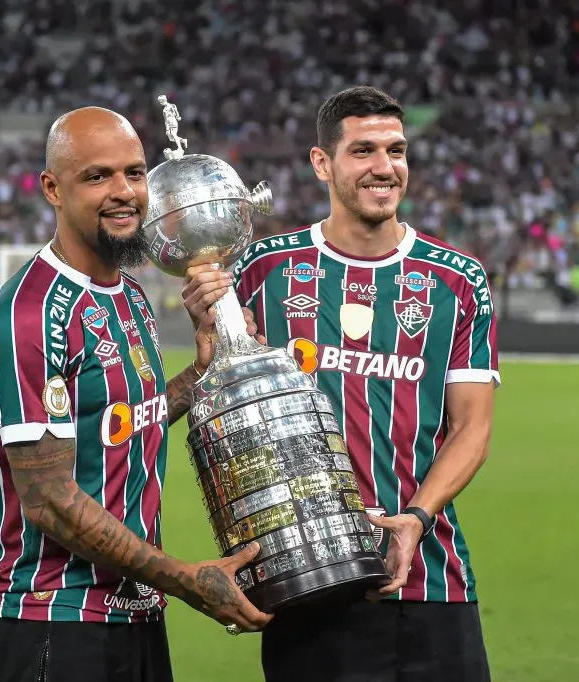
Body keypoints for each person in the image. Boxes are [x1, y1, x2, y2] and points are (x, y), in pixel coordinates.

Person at [182, 86, 499, 681]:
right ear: (322, 163)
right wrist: (208, 338)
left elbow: (472, 427)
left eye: (396, 150)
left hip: (430, 584)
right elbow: (222, 405)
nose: (385, 167)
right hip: (306, 587)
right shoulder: (263, 270)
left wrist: (416, 519)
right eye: (363, 151)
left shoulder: (457, 280)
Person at [0, 106, 271, 682]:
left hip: (133, 618)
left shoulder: (130, 295)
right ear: (53, 189)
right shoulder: (31, 311)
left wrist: (200, 372)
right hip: (49, 622)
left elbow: (129, 420)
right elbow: (49, 499)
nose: (125, 192)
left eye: (134, 173)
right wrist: (184, 579)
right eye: (97, 176)